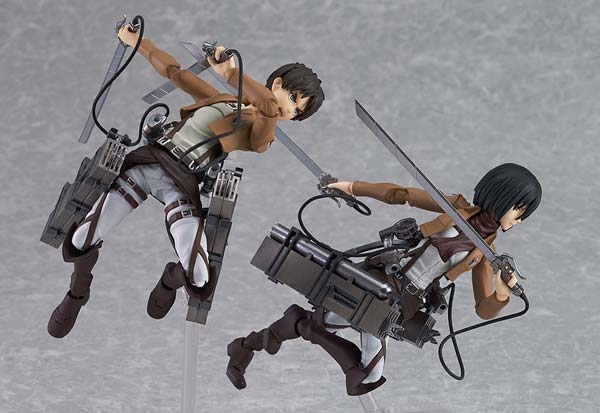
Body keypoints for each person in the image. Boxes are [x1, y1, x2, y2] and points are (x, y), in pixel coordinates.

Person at [47, 24, 325, 338]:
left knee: (200, 274)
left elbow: (268, 109)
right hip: (149, 162)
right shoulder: (222, 100)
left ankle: (170, 280)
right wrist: (138, 41)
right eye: (293, 98)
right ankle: (77, 292)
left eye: (298, 112)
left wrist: (231, 74)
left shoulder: (261, 133)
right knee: (81, 238)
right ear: (277, 83)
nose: (291, 109)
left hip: (180, 182)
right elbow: (174, 73)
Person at [225, 163, 542, 395]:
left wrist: (502, 292)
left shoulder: (487, 254)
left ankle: (251, 344)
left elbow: (483, 308)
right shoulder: (455, 207)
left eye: (523, 214)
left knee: (332, 335)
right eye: (518, 210)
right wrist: (352, 187)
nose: (518, 219)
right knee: (360, 367)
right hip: (383, 278)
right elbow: (401, 194)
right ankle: (268, 338)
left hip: (404, 301)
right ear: (501, 197)